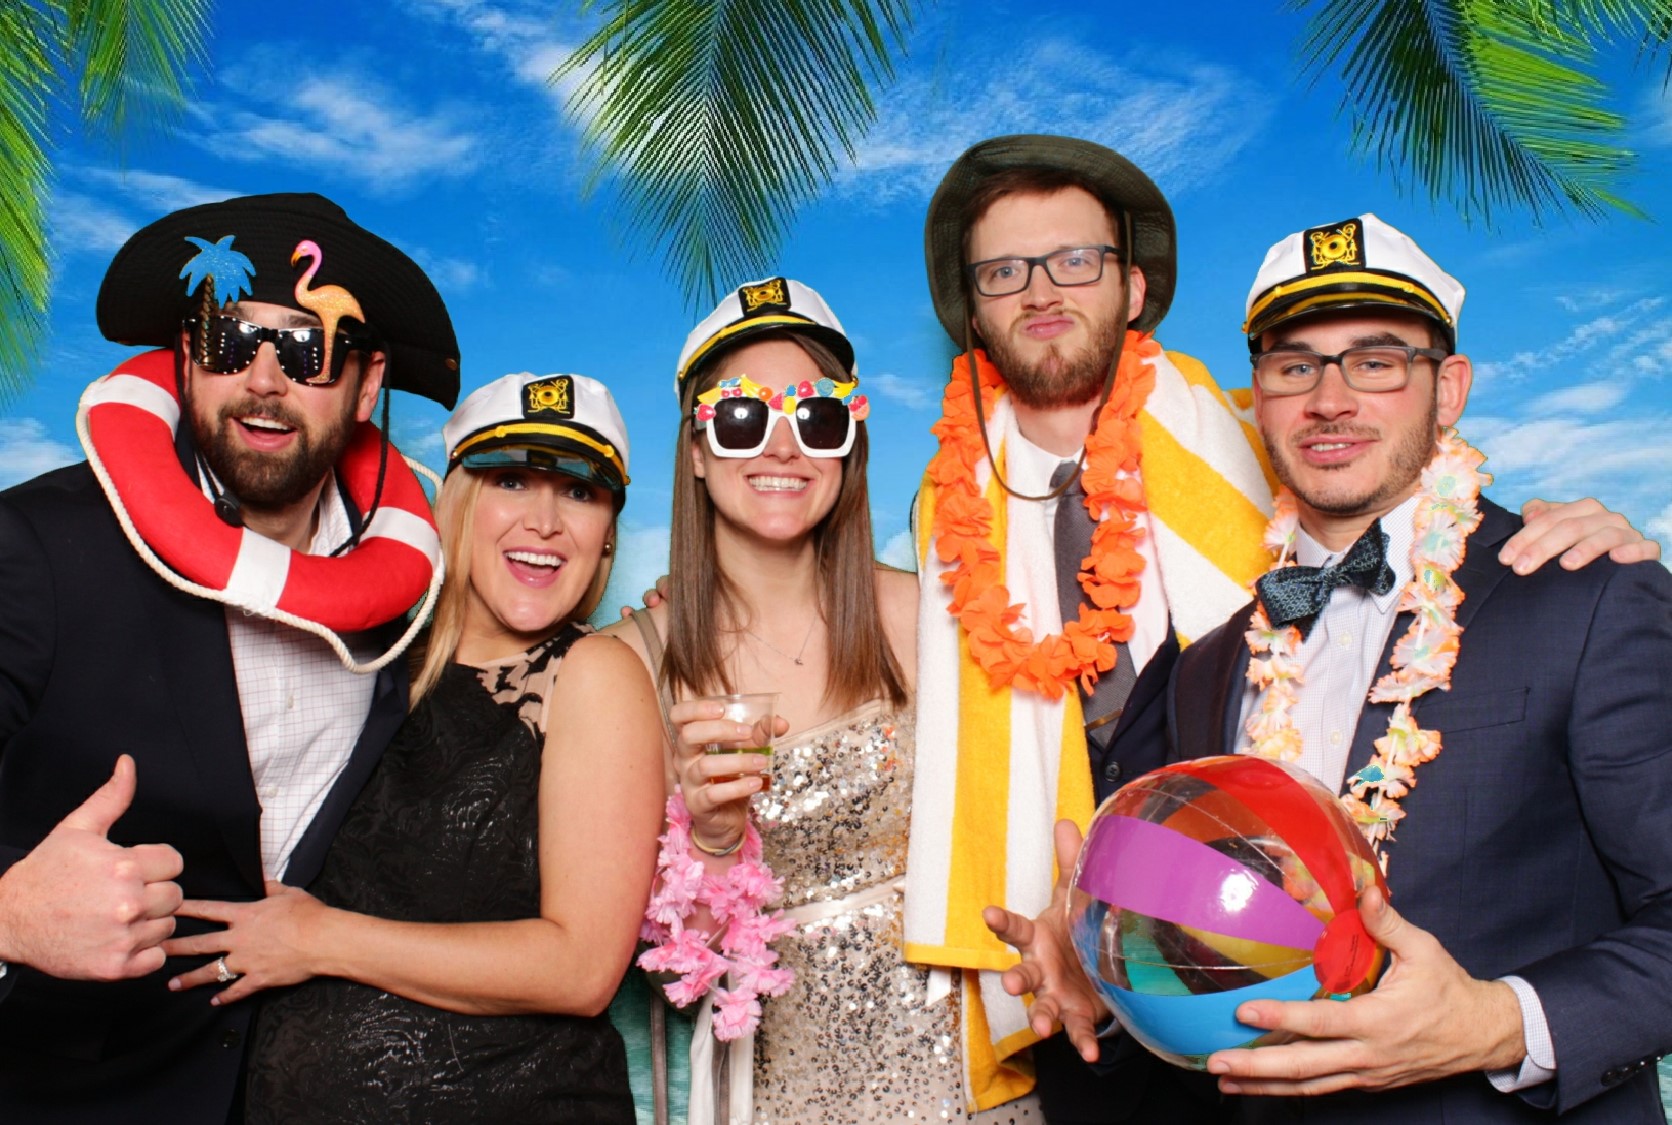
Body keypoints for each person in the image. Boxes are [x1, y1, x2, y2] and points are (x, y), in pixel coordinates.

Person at [905, 135, 1664, 1122]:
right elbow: (1195, 930)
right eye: (1296, 365)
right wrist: (1097, 958)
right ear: (1254, 396)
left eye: (1377, 361)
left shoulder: (1578, 593)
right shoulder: (1211, 666)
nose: (1331, 399)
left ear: (1452, 387)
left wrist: (1500, 1021)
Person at [0, 192, 460, 1122]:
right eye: (226, 338)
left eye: (305, 350)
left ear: (368, 386)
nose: (262, 379)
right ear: (182, 356)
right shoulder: (39, 547)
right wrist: (6, 913)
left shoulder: (410, 598)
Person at [162, 370, 665, 1121]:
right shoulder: (361, 654)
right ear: (456, 499)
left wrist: (318, 938)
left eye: (581, 493)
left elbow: (582, 965)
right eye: (512, 481)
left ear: (606, 539)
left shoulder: (592, 674)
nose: (547, 521)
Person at [603, 278, 1014, 1124]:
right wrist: (713, 843)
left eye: (816, 418)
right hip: (775, 1087)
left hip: (968, 1079)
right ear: (696, 449)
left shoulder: (938, 616)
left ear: (848, 444)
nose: (782, 447)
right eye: (743, 418)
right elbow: (662, 964)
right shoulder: (633, 664)